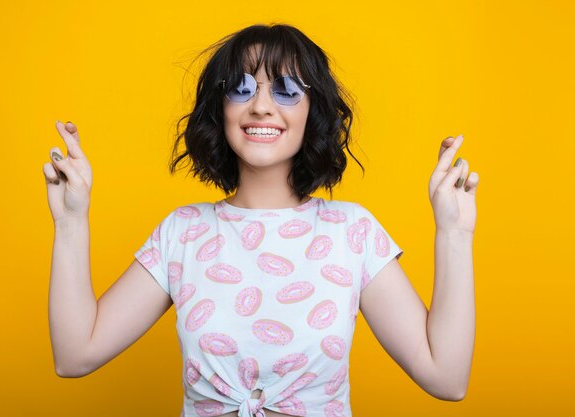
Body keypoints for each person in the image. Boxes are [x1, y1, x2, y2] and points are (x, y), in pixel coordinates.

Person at [44, 24, 479, 417]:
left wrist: (455, 233)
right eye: (241, 88)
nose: (262, 106)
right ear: (221, 108)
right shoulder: (183, 233)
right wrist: (70, 221)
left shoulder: (353, 232)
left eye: (287, 90)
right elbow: (75, 354)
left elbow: (446, 379)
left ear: (313, 112)